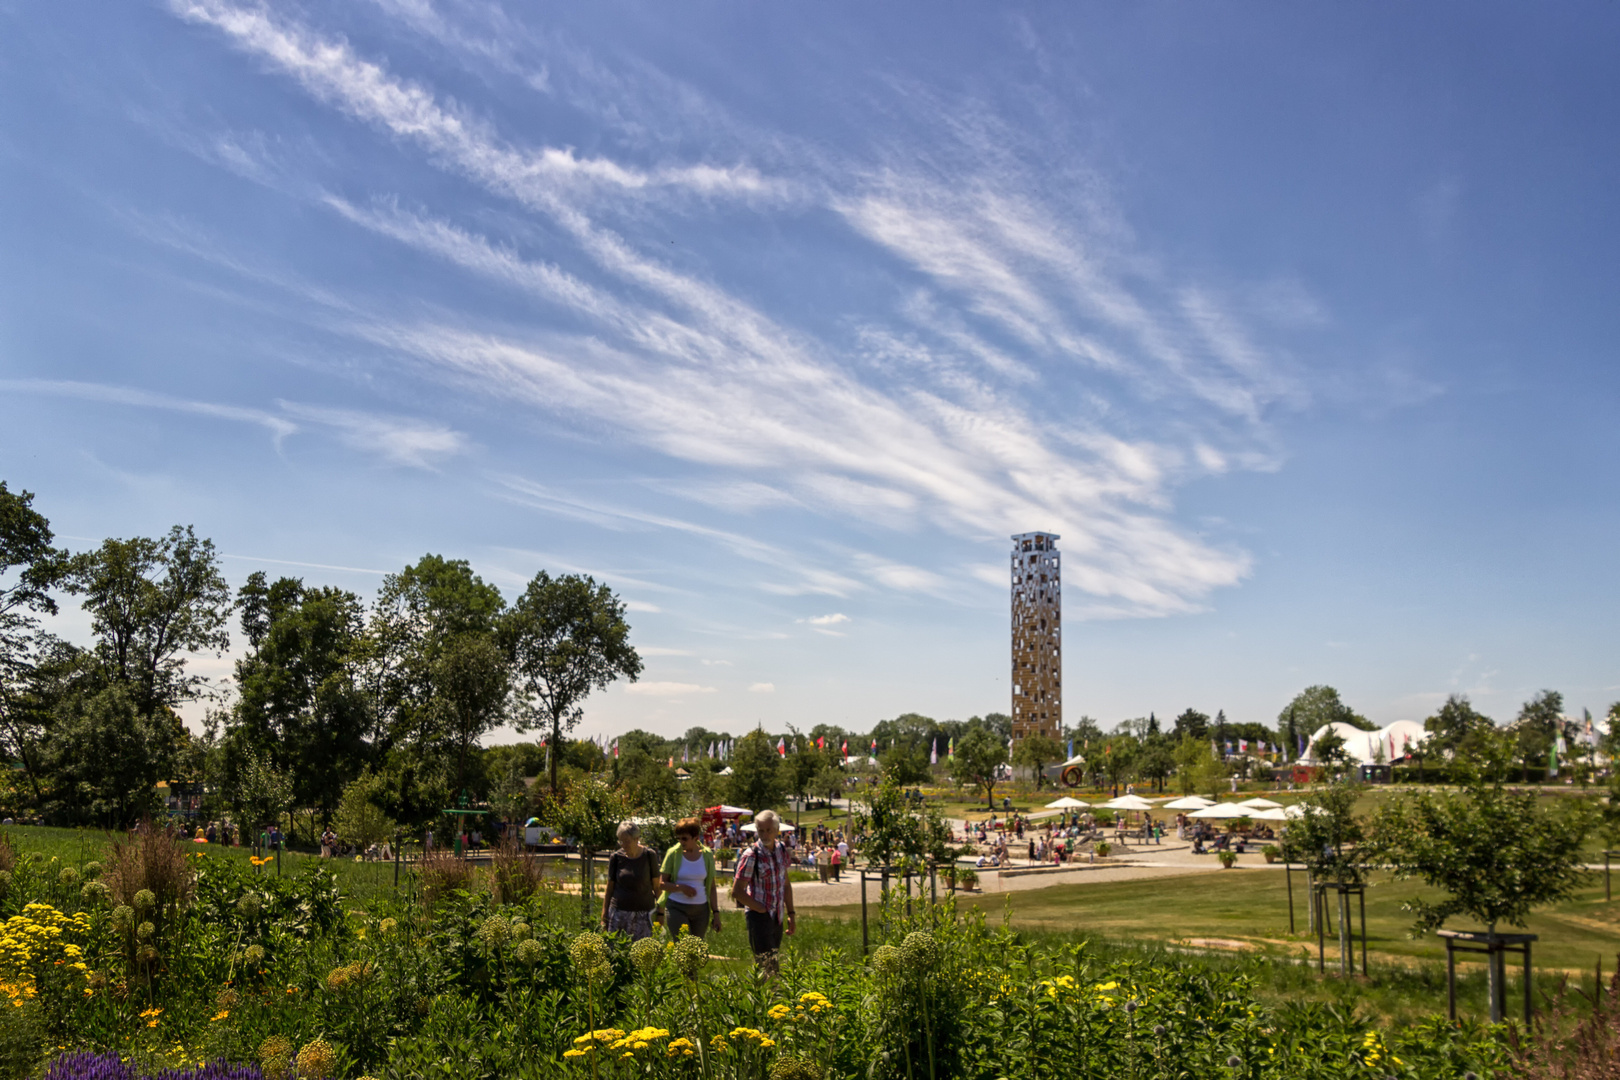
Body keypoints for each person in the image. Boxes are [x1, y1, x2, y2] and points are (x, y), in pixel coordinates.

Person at [731, 809, 795, 976]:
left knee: (773, 960)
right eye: (761, 831)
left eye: (768, 830)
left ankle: (772, 997)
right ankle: (770, 998)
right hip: (759, 916)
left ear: (776, 830)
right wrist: (759, 908)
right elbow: (737, 891)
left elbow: (786, 885)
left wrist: (791, 913)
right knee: (767, 966)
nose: (764, 835)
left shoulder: (781, 850)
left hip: (777, 916)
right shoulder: (751, 854)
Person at [660, 818, 721, 940]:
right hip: (677, 907)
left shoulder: (707, 855)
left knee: (697, 950)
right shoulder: (673, 853)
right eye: (678, 838)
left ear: (695, 837)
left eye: (685, 838)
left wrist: (716, 913)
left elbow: (712, 887)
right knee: (683, 948)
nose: (681, 842)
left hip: (701, 910)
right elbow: (662, 884)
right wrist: (681, 888)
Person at [601, 821, 660, 941]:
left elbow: (657, 887)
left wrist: (661, 913)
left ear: (636, 839)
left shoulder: (649, 856)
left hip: (643, 915)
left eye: (627, 841)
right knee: (617, 952)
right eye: (620, 841)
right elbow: (609, 889)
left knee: (642, 954)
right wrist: (604, 915)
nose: (623, 845)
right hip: (619, 914)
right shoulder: (616, 858)